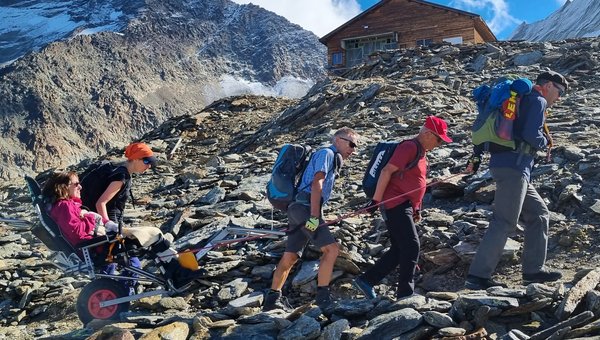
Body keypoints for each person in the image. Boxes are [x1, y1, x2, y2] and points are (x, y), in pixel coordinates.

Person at [464, 71, 567, 290]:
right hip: (515, 167)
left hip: (509, 167)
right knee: (504, 221)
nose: (559, 98)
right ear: (548, 85)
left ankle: (533, 271)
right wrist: (545, 141)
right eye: (559, 92)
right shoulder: (537, 100)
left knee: (539, 214)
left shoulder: (523, 100)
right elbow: (531, 134)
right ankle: (478, 277)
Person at [43, 172, 201, 290]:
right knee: (153, 237)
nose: (80, 187)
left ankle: (169, 275)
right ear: (63, 187)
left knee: (140, 251)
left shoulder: (67, 205)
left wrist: (92, 218)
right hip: (96, 246)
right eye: (76, 184)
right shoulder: (64, 206)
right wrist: (90, 217)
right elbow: (77, 233)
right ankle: (177, 274)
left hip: (97, 244)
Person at [353, 116, 452, 300]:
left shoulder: (422, 152)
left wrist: (416, 209)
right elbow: (386, 171)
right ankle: (405, 294)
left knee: (400, 248)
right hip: (394, 203)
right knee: (412, 246)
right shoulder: (409, 147)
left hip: (404, 205)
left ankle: (366, 281)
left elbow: (414, 183)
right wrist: (375, 201)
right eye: (439, 139)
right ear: (428, 134)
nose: (439, 144)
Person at [263, 127, 360, 310]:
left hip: (297, 210)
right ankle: (323, 300)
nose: (353, 150)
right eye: (351, 144)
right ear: (337, 140)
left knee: (290, 256)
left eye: (355, 147)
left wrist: (316, 215)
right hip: (305, 210)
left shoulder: (329, 155)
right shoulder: (327, 153)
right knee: (331, 250)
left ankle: (271, 300)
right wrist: (315, 217)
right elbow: (317, 183)